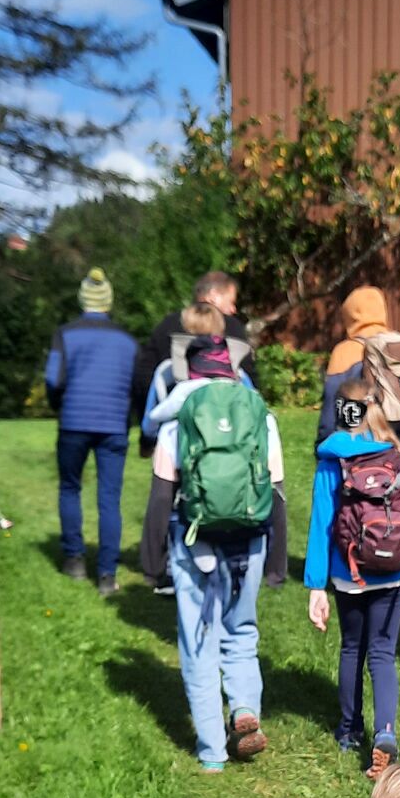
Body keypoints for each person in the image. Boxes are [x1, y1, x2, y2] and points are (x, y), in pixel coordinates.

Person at [145, 325, 279, 773]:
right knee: (241, 630)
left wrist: (152, 561)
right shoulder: (260, 416)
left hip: (194, 540)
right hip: (250, 540)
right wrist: (277, 561)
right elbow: (276, 490)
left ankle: (212, 753)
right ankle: (244, 709)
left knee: (198, 641)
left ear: (191, 370)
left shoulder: (177, 419)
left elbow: (162, 495)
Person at [305, 380, 400, 779]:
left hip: (348, 572)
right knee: (383, 653)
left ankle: (350, 730)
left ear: (341, 412)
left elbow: (322, 524)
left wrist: (316, 585)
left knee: (352, 648)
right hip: (393, 572)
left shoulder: (332, 461)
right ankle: (385, 730)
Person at [139, 304, 288, 593]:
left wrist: (150, 436)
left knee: (167, 494)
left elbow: (149, 421)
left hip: (185, 458)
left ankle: (161, 566)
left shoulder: (168, 371)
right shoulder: (238, 374)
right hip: (236, 464)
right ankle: (264, 569)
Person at [44, 267, 137, 597]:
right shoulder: (128, 341)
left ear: (83, 299)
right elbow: (137, 384)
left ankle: (74, 560)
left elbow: (53, 379)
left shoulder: (65, 334)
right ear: (108, 301)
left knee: (70, 487)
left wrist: (57, 404)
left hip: (73, 422)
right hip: (114, 425)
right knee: (109, 498)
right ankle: (107, 575)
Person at [316, 286, 400, 470]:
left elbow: (330, 413)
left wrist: (322, 449)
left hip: (362, 448)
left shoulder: (344, 352)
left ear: (349, 316)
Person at [134, 271, 251, 455]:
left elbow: (144, 377)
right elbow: (251, 386)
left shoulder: (167, 326)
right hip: (227, 429)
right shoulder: (233, 328)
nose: (233, 309)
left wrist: (148, 438)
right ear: (213, 296)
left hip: (176, 432)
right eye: (231, 301)